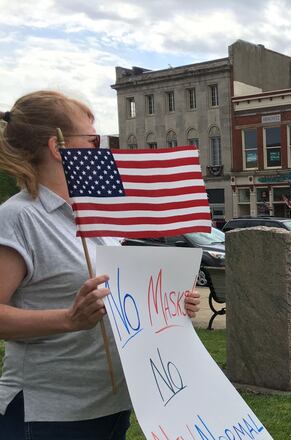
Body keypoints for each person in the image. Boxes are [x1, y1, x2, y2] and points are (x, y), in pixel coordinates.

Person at [0, 91, 201, 439]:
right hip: (49, 414)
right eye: (93, 140)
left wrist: (168, 306)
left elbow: (119, 299)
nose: (101, 150)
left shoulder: (96, 215)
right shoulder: (18, 217)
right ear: (57, 147)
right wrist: (68, 319)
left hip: (112, 405)